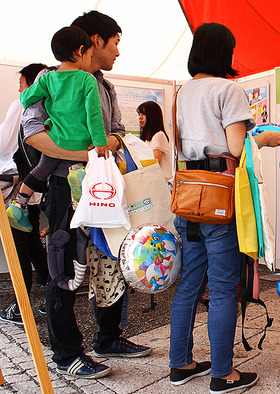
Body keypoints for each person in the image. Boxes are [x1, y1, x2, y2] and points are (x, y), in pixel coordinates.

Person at [22, 11, 151, 379]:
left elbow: (118, 131)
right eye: (115, 43)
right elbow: (32, 133)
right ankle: (66, 353)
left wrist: (107, 144)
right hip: (66, 186)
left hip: (106, 186)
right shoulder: (51, 79)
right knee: (62, 267)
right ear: (94, 42)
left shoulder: (106, 86)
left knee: (113, 256)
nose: (117, 52)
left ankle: (108, 337)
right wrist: (90, 153)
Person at [168, 22, 280, 393]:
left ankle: (181, 364)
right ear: (224, 52)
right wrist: (264, 137)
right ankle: (223, 374)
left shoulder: (183, 92)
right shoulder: (228, 89)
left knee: (189, 284)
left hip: (188, 195)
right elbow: (236, 148)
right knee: (221, 288)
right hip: (220, 196)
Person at [7, 26, 108, 235]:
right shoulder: (86, 79)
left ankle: (19, 205)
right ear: (81, 51)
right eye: (89, 55)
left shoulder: (47, 78)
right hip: (80, 140)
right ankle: (78, 181)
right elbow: (94, 114)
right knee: (82, 166)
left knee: (42, 168)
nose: (90, 60)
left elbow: (25, 98)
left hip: (56, 139)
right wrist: (100, 142)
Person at [0, 63, 49, 324]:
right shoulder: (49, 103)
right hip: (39, 183)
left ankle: (21, 307)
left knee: (19, 243)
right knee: (30, 242)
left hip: (20, 186)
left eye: (20, 82)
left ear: (29, 82)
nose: (19, 88)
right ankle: (50, 296)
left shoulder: (23, 103)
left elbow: (4, 142)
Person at [136, 100, 172, 181]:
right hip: (153, 179)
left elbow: (155, 163)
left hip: (160, 181)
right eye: (139, 114)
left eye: (143, 114)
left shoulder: (159, 135)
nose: (140, 117)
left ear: (152, 116)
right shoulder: (148, 139)